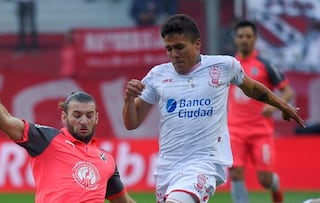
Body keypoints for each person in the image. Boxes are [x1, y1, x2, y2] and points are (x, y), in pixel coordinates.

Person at [122, 14, 305, 203]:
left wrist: (283, 105)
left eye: (179, 47)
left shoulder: (224, 66)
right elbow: (131, 123)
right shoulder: (157, 75)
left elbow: (253, 88)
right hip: (167, 167)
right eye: (168, 49)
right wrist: (128, 99)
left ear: (197, 44)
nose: (174, 54)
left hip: (204, 163)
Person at [0, 57, 136, 203]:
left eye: (89, 115)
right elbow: (5, 122)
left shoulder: (107, 161)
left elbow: (125, 201)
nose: (83, 121)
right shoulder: (48, 139)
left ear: (96, 118)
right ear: (64, 118)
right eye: (76, 115)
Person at [227, 20, 294, 203]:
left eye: (248, 36)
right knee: (236, 172)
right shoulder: (228, 65)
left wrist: (273, 107)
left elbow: (288, 92)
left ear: (255, 39)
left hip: (260, 131)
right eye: (241, 36)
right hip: (235, 130)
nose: (244, 40)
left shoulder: (266, 64)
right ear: (235, 39)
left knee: (265, 179)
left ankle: (276, 187)